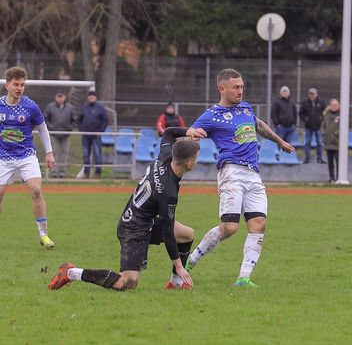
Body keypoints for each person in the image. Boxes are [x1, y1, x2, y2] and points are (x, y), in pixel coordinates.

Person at [48, 126, 207, 291]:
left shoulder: (165, 156)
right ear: (189, 163)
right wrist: (179, 266)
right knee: (127, 283)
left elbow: (168, 133)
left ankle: (175, 283)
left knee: (187, 234)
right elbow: (167, 232)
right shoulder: (168, 192)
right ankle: (72, 273)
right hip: (133, 228)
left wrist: (188, 131)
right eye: (196, 157)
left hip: (146, 220)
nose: (196, 161)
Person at [186, 68, 295, 287]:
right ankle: (191, 260)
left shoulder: (245, 107)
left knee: (259, 224)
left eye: (242, 87)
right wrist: (193, 134)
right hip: (231, 172)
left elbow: (259, 125)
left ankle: (244, 278)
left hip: (253, 173)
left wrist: (280, 141)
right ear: (222, 88)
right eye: (236, 87)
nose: (240, 91)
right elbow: (191, 130)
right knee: (229, 228)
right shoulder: (212, 114)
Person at [0, 66, 56, 248]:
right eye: (16, 84)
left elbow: (42, 128)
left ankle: (43, 235)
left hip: (26, 155)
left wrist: (49, 152)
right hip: (3, 157)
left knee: (36, 190)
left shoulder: (30, 106)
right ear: (7, 85)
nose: (19, 88)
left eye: (22, 85)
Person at [77, 91, 108, 179]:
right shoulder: (84, 107)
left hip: (96, 135)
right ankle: (86, 173)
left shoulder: (100, 108)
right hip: (86, 136)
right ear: (88, 98)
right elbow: (79, 120)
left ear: (96, 98)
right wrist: (81, 130)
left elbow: (105, 120)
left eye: (93, 96)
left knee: (98, 154)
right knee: (86, 154)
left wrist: (100, 131)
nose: (91, 98)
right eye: (90, 96)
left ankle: (98, 173)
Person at [44, 92, 76, 178]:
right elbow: (45, 118)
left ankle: (62, 172)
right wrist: (51, 127)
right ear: (55, 97)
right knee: (53, 152)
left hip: (66, 134)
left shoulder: (70, 107)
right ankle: (53, 172)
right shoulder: (50, 107)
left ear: (64, 97)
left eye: (61, 96)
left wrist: (69, 128)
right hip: (54, 134)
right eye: (58, 96)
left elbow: (74, 120)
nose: (60, 98)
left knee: (64, 153)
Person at [299, 88, 326, 164]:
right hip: (308, 126)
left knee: (320, 143)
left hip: (318, 126)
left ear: (316, 94)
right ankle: (307, 158)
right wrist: (306, 120)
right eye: (310, 94)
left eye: (313, 94)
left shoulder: (321, 102)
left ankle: (319, 159)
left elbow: (325, 112)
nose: (311, 95)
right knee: (307, 142)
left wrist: (321, 119)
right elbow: (301, 114)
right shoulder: (304, 103)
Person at [321, 99, 340, 183]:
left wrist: (336, 134)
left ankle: (339, 177)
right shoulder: (327, 115)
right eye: (333, 105)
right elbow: (322, 126)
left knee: (338, 161)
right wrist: (324, 134)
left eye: (336, 105)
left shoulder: (342, 115)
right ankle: (331, 178)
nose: (334, 106)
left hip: (337, 143)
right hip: (328, 142)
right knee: (330, 161)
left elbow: (344, 126)